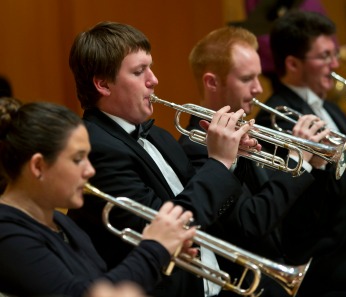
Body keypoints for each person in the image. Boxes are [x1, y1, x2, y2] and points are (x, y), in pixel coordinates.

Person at [67, 21, 260, 297]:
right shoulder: (95, 149)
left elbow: (209, 213)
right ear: (103, 84)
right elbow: (166, 226)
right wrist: (217, 163)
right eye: (138, 71)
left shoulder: (159, 135)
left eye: (150, 67)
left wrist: (232, 158)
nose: (153, 80)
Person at [180, 25, 332, 297]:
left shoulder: (250, 130)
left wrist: (314, 165)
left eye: (259, 77)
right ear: (212, 82)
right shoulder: (194, 147)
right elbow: (252, 222)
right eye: (247, 78)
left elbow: (284, 214)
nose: (258, 89)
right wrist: (299, 160)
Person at [0, 99, 198, 297]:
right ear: (38, 166)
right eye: (78, 159)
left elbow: (104, 286)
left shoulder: (61, 222)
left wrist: (163, 256)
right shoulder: (7, 233)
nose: (90, 170)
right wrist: (155, 248)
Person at [255, 10, 346, 297]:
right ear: (293, 63)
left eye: (334, 54)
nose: (335, 65)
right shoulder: (278, 117)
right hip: (329, 261)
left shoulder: (330, 107)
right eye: (324, 57)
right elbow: (338, 181)